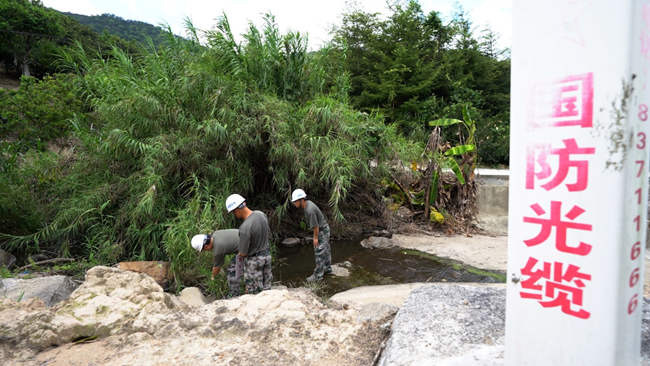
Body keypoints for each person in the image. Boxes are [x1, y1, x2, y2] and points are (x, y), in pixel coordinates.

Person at [225, 193, 273, 294]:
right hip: (267, 256)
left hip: (254, 261)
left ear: (237, 210)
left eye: (233, 213)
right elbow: (267, 232)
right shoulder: (261, 214)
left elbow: (243, 252)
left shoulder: (245, 227)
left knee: (254, 291)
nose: (234, 215)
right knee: (267, 288)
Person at [291, 189, 332, 281]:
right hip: (325, 229)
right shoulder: (308, 204)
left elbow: (316, 227)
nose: (294, 203)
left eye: (295, 201)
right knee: (326, 250)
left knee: (319, 252)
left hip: (321, 230)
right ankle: (327, 269)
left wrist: (315, 238)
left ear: (302, 200)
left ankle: (318, 275)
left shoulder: (310, 210)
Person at [191, 229, 243, 297]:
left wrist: (213, 278)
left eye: (204, 250)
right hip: (252, 239)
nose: (205, 251)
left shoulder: (218, 249)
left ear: (206, 246)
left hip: (252, 248)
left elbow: (216, 269)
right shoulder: (216, 233)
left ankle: (233, 295)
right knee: (235, 262)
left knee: (232, 270)